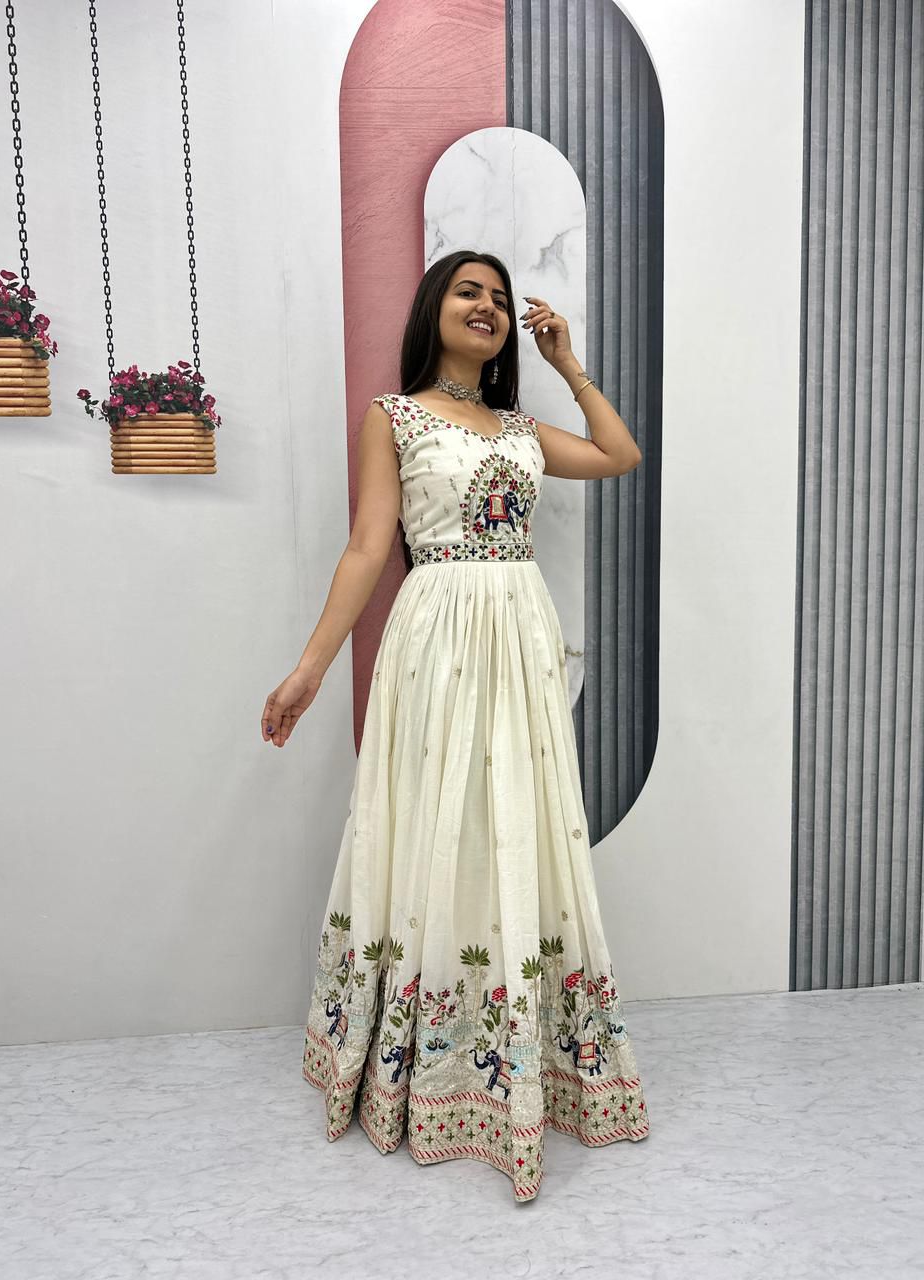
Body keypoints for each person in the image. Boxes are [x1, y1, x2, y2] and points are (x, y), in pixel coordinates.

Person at [262, 249, 651, 1202]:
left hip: (520, 635)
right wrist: (312, 668)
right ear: (434, 307)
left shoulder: (521, 429)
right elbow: (369, 547)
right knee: (434, 820)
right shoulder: (394, 418)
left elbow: (618, 455)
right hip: (437, 631)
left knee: (517, 820)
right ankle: (423, 1062)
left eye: (502, 299)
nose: (489, 307)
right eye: (470, 292)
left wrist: (568, 365)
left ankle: (528, 1052)